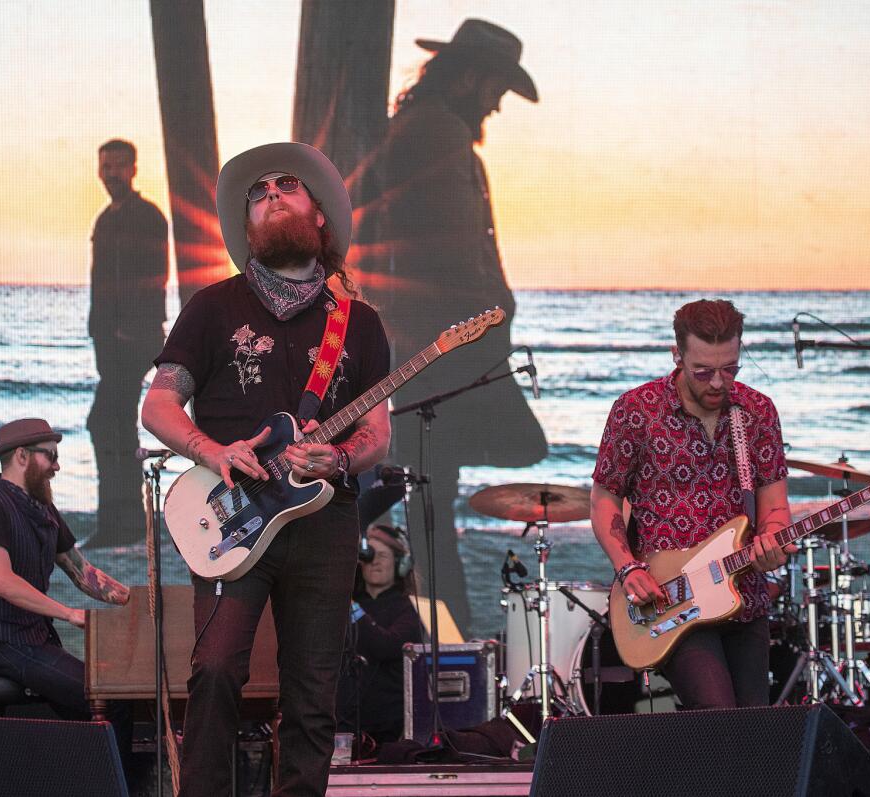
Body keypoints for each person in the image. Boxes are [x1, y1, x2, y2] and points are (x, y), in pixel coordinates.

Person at [141, 142, 391, 797]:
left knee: (314, 689)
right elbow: (158, 403)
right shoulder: (212, 307)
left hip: (324, 520)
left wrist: (337, 458)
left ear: (319, 219)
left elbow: (377, 434)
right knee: (217, 668)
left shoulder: (359, 324)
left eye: (288, 185)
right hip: (234, 517)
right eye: (259, 192)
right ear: (249, 226)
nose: (272, 194)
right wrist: (212, 450)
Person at [361, 19, 547, 630]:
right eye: (495, 88)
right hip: (439, 352)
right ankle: (446, 643)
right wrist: (491, 315)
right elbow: (450, 250)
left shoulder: (428, 130)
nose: (496, 104)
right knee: (431, 511)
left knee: (428, 507)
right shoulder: (436, 134)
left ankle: (442, 636)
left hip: (429, 349)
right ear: (469, 77)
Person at [589, 299, 793, 709]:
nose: (718, 382)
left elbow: (775, 506)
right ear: (677, 355)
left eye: (730, 368)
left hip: (743, 596)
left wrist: (772, 539)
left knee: (755, 731)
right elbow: (603, 500)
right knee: (717, 717)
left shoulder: (757, 412)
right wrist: (627, 566)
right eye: (703, 370)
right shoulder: (636, 411)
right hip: (672, 597)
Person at [0, 418, 132, 751]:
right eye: (50, 456)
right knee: (108, 702)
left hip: (35, 642)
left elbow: (81, 571)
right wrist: (69, 614)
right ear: (22, 456)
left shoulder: (43, 507)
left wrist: (134, 600)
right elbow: (2, 583)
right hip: (2, 645)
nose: (57, 465)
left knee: (112, 699)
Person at [87, 138, 168, 547]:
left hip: (135, 339)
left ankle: (118, 524)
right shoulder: (105, 219)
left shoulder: (147, 216)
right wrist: (99, 331)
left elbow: (156, 275)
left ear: (133, 169)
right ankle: (128, 525)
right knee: (115, 424)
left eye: (119, 166)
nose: (112, 174)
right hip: (107, 340)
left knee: (103, 421)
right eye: (106, 167)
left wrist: (133, 328)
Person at [337, 525, 424, 753]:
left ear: (400, 564)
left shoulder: (409, 608)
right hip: (343, 721)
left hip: (388, 726)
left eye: (383, 555)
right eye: (369, 555)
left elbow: (386, 646)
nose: (375, 561)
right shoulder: (347, 606)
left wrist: (353, 609)